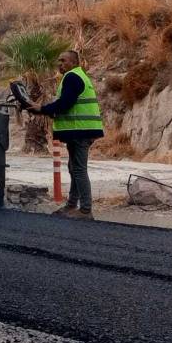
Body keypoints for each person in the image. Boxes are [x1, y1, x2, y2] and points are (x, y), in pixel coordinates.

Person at [32, 49, 104, 220]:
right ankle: (72, 206)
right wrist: (48, 111)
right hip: (80, 130)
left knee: (78, 169)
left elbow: (65, 104)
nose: (60, 64)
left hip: (80, 131)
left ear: (73, 62)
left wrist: (42, 109)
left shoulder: (72, 77)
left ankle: (85, 210)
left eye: (63, 60)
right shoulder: (79, 76)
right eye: (59, 61)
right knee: (74, 168)